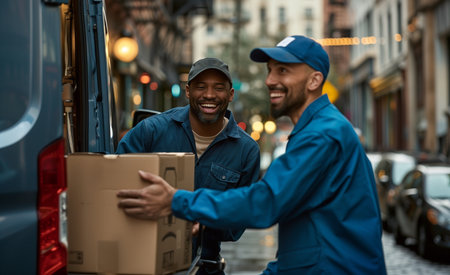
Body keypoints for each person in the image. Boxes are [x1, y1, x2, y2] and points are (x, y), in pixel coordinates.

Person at [117, 36, 387, 274]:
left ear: (315, 80)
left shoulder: (322, 135)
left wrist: (177, 201)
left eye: (283, 71)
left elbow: (266, 202)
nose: (270, 80)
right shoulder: (317, 130)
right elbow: (308, 233)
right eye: (270, 71)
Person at [116, 57, 260, 275]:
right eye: (200, 87)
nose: (209, 95)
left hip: (204, 267)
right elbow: (114, 185)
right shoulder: (151, 131)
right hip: (143, 263)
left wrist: (201, 222)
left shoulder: (246, 150)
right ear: (188, 91)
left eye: (218, 88)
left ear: (230, 94)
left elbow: (237, 224)